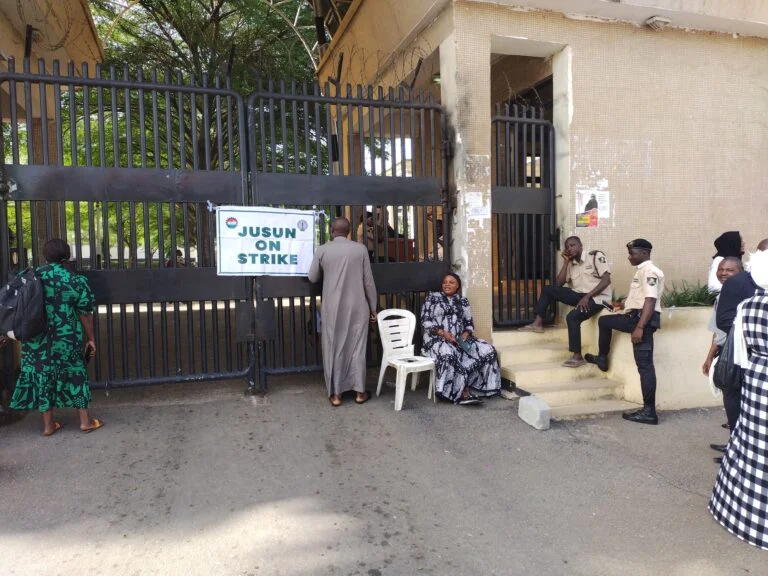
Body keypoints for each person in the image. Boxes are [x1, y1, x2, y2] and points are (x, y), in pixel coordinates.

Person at [4, 239, 103, 436]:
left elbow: (14, 304)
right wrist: (90, 338)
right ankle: (85, 422)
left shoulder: (32, 276)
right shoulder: (75, 279)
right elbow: (85, 312)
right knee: (75, 375)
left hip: (36, 340)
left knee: (43, 376)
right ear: (67, 256)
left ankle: (48, 425)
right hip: (67, 340)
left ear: (45, 256)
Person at [709, 248, 768, 550]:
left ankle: (741, 513)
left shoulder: (751, 308)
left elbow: (729, 332)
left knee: (751, 442)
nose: (724, 275)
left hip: (756, 381)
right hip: (752, 376)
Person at [585, 239, 664, 425]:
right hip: (634, 317)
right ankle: (602, 358)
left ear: (644, 253)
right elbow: (641, 298)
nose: (629, 257)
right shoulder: (642, 271)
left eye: (632, 253)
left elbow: (650, 301)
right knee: (605, 321)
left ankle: (649, 411)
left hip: (641, 322)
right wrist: (623, 306)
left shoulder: (649, 271)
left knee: (645, 367)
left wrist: (639, 328)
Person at [308, 217, 378, 407]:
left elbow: (313, 278)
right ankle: (359, 393)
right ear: (348, 231)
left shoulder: (322, 249)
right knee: (357, 348)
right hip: (358, 306)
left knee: (333, 347)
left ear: (331, 230)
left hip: (332, 307)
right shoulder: (360, 249)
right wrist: (373, 308)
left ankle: (336, 395)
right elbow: (368, 282)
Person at [521, 236, 612, 368]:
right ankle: (538, 322)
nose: (570, 248)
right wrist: (566, 262)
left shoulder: (595, 256)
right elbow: (558, 283)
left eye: (573, 245)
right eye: (567, 246)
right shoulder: (571, 263)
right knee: (549, 289)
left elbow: (606, 280)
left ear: (581, 245)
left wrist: (587, 297)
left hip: (597, 299)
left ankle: (577, 356)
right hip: (579, 296)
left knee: (572, 317)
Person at [420, 272, 501, 405]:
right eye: (445, 282)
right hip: (436, 340)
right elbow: (425, 321)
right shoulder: (432, 298)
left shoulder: (463, 301)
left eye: (451, 282)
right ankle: (457, 392)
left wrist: (464, 335)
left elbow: (469, 323)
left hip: (458, 339)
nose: (447, 284)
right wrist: (442, 333)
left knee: (487, 350)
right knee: (449, 353)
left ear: (458, 286)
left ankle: (478, 387)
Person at [714, 238, 768, 433]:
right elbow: (724, 319)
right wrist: (753, 339)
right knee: (736, 400)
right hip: (741, 355)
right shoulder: (738, 282)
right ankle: (735, 445)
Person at [701, 257, 743, 455]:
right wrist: (709, 357)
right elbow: (717, 332)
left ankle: (736, 451)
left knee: (735, 401)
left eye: (730, 270)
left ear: (741, 272)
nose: (724, 273)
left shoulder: (743, 294)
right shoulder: (722, 296)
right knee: (731, 401)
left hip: (738, 355)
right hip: (725, 351)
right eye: (721, 269)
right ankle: (734, 446)